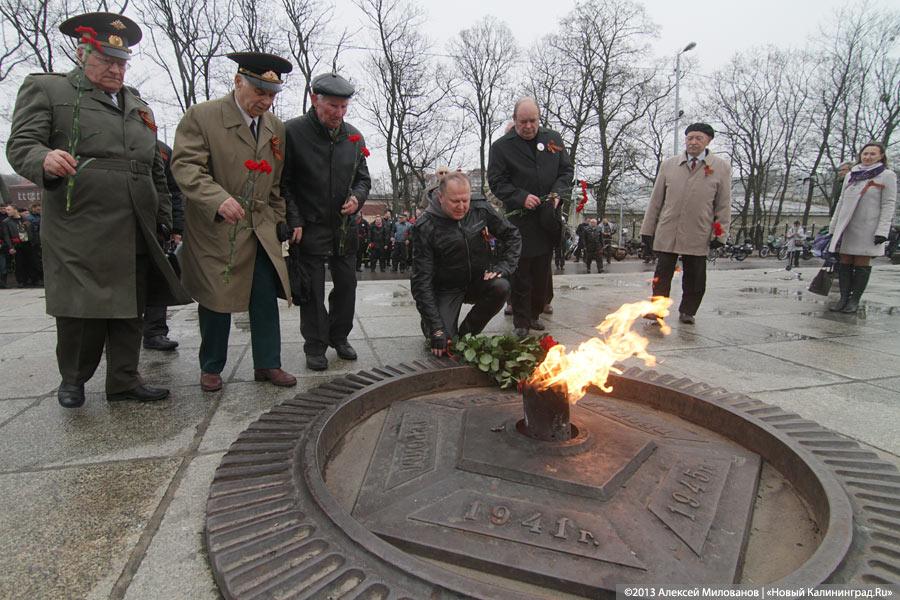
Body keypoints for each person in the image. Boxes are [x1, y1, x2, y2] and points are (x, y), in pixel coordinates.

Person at [6, 12, 190, 408]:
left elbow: (154, 168)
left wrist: (163, 218)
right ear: (81, 52)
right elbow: (21, 144)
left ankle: (124, 379)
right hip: (79, 221)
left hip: (135, 221)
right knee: (81, 307)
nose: (116, 69)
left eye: (122, 62)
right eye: (106, 59)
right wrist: (44, 159)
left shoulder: (138, 105)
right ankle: (73, 379)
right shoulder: (49, 89)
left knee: (131, 305)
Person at [171, 51, 297, 392]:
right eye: (259, 92)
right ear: (238, 81)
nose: (266, 101)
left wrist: (280, 220)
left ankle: (268, 363)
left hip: (261, 227)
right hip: (217, 225)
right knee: (217, 296)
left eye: (272, 95)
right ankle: (211, 366)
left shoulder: (275, 127)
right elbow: (186, 166)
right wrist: (217, 199)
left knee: (264, 295)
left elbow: (275, 183)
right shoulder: (203, 116)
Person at [282, 72, 372, 371]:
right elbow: (284, 182)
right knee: (312, 290)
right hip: (309, 225)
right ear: (314, 100)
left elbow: (363, 179)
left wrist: (357, 198)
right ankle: (315, 345)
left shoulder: (353, 137)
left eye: (344, 107)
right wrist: (294, 218)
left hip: (344, 228)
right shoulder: (293, 132)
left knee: (347, 285)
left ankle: (339, 336)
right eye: (332, 106)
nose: (339, 113)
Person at [488, 97, 573, 338]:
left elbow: (566, 171)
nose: (528, 126)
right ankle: (521, 321)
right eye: (523, 121)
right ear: (514, 120)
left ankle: (535, 314)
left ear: (539, 118)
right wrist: (520, 197)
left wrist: (557, 193)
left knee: (542, 272)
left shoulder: (553, 139)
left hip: (547, 218)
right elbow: (496, 182)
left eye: (533, 121)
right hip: (520, 220)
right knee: (521, 273)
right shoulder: (501, 147)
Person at [412, 172, 521, 355]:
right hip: (446, 288)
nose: (462, 207)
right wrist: (436, 327)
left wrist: (503, 267)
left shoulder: (480, 208)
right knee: (444, 342)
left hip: (478, 279)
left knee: (502, 287)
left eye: (465, 200)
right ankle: (433, 325)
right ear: (441, 197)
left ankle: (466, 335)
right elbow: (420, 281)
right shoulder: (425, 226)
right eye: (455, 201)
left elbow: (512, 235)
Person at [640, 123, 731, 324]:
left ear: (708, 141)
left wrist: (720, 234)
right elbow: (656, 201)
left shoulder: (721, 167)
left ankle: (688, 311)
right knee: (662, 273)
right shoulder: (669, 165)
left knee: (695, 276)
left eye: (698, 138)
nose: (693, 142)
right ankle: (657, 309)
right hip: (668, 229)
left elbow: (723, 205)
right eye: (690, 138)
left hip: (699, 230)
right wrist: (647, 229)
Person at [827, 142, 897, 313]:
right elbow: (841, 202)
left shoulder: (887, 175)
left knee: (861, 261)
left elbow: (889, 204)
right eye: (865, 153)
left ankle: (854, 300)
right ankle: (843, 298)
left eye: (873, 154)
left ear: (881, 156)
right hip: (847, 226)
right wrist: (833, 227)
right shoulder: (851, 174)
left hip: (868, 226)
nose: (868, 157)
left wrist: (882, 230)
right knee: (844, 261)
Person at [142, 141, 183, 351]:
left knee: (158, 278)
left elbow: (173, 191)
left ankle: (155, 332)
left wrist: (176, 227)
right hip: (123, 224)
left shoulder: (163, 150)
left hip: (158, 226)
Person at [1, 205, 40, 287]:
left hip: (28, 243)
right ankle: (21, 281)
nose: (7, 211)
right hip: (17, 244)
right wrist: (10, 247)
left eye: (9, 209)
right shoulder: (6, 222)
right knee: (19, 264)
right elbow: (6, 235)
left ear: (15, 210)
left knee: (32, 262)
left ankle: (34, 279)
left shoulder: (26, 219)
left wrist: (34, 242)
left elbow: (32, 231)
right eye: (6, 210)